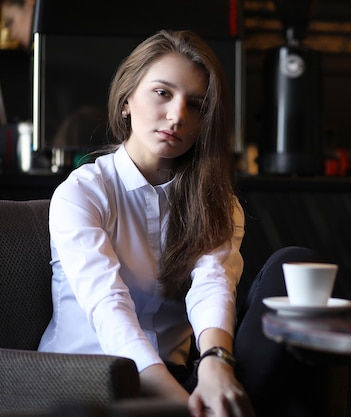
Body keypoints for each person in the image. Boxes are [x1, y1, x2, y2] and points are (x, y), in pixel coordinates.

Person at [37, 29, 325, 417]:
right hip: (92, 380)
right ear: (127, 99)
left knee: (294, 266)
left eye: (197, 104)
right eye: (162, 93)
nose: (177, 116)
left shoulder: (216, 202)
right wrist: (184, 405)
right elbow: (108, 307)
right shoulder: (84, 192)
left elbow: (212, 285)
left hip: (183, 380)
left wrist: (216, 365)